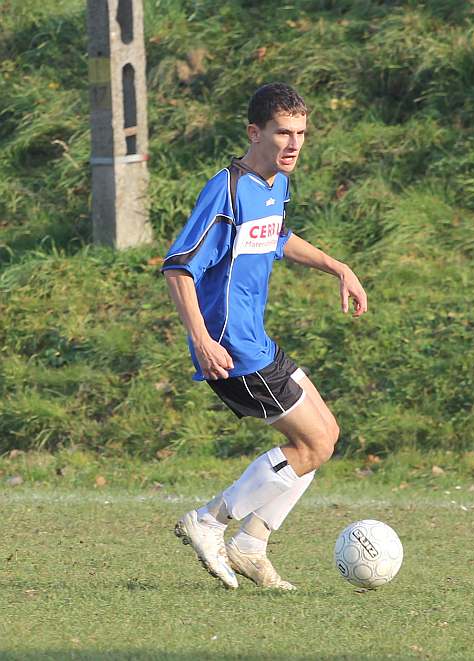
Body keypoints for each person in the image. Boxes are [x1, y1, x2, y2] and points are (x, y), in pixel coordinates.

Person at [161, 83, 367, 590]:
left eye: (300, 133)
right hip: (231, 348)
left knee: (326, 436)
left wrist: (337, 266)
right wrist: (203, 341)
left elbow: (276, 235)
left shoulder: (274, 184)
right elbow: (178, 267)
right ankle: (209, 520)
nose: (293, 143)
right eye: (282, 133)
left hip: (255, 339)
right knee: (314, 442)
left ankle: (251, 545)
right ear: (255, 132)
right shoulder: (227, 189)